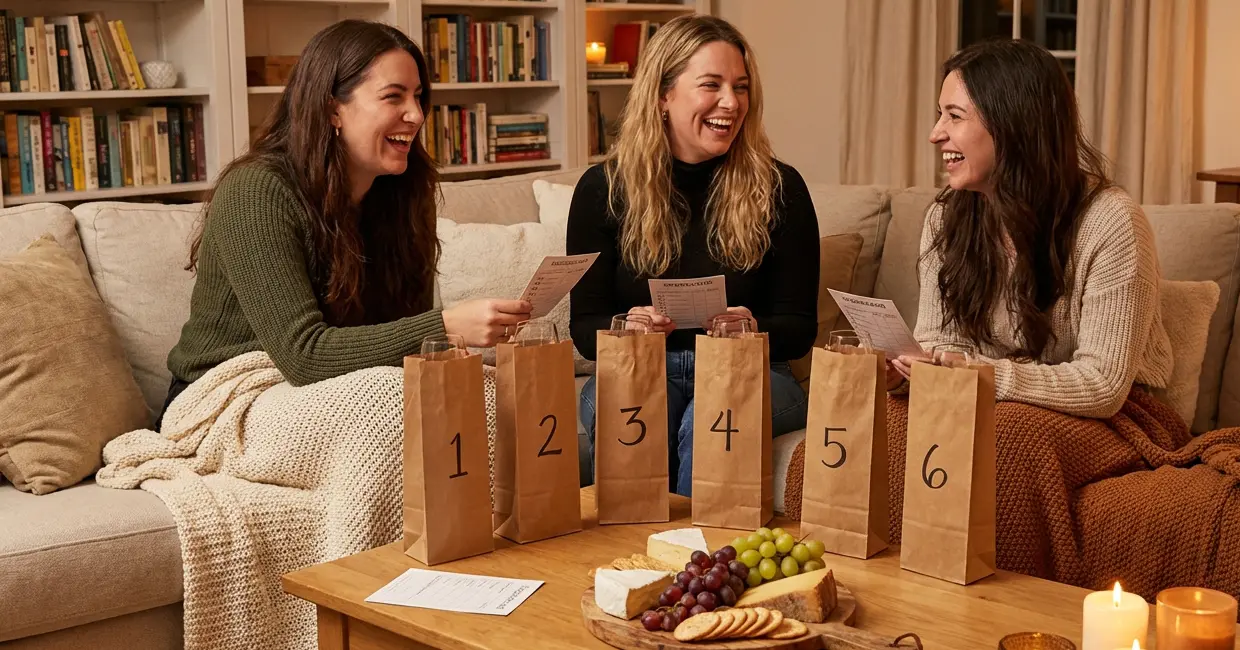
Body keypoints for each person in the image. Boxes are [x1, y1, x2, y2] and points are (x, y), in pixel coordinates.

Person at [160, 20, 530, 425]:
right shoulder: (256, 190)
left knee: (495, 401)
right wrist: (445, 326)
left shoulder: (402, 193)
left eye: (419, 97)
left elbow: (396, 342)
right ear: (332, 108)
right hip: (225, 397)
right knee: (398, 420)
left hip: (336, 390)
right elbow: (305, 356)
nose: (416, 115)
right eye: (394, 97)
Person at [568, 14, 820, 496]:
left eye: (741, 87)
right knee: (632, 411)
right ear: (664, 95)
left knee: (706, 421)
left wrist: (753, 328)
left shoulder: (781, 187)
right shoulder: (603, 189)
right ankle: (627, 560)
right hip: (641, 366)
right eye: (712, 85)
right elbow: (586, 327)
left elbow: (800, 327)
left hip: (755, 369)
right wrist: (626, 326)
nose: (731, 102)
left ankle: (699, 566)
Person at [889, 38, 1173, 419]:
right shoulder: (946, 216)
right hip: (982, 400)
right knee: (870, 432)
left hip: (1119, 417)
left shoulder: (1111, 220)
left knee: (1001, 445)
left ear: (1012, 125)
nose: (936, 133)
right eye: (940, 115)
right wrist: (911, 372)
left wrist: (987, 378)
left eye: (954, 116)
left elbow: (1103, 386)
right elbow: (941, 340)